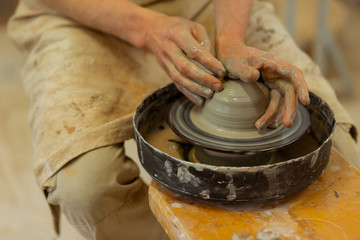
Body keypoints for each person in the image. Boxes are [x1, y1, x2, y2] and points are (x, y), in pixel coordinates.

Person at [7, 0, 359, 239]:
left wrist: (231, 38)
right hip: (80, 13)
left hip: (205, 6)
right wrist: (146, 28)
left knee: (338, 154)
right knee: (87, 186)